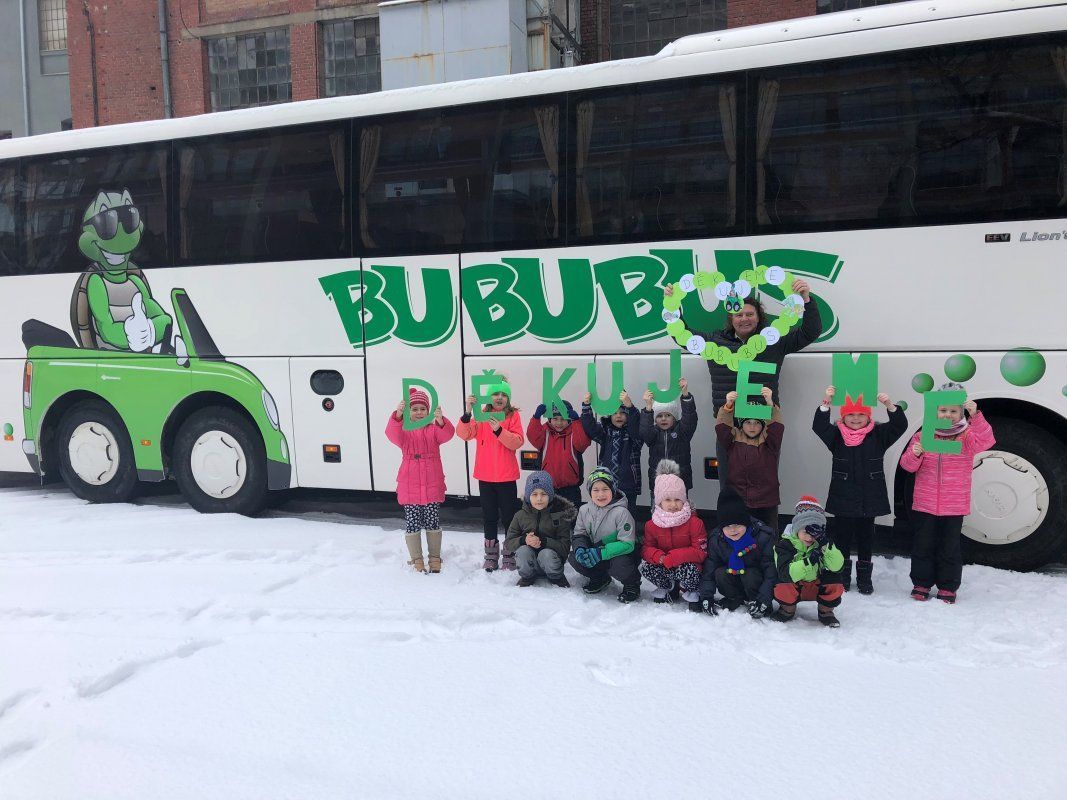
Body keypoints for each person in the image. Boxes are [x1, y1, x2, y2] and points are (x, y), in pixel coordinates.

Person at [664, 278, 823, 483]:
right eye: (738, 315)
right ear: (731, 318)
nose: (744, 319)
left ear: (759, 317)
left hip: (764, 426)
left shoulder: (774, 340)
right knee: (729, 486)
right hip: (728, 426)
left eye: (750, 314)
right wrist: (672, 304)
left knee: (765, 486)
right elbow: (682, 335)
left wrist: (806, 300)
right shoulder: (714, 342)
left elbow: (811, 332)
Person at [898, 384, 995, 604]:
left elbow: (986, 441)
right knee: (922, 545)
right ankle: (921, 583)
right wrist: (915, 454)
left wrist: (976, 416)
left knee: (949, 548)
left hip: (954, 505)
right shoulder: (923, 436)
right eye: (943, 410)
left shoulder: (967, 436)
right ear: (935, 412)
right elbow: (908, 466)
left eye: (953, 411)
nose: (948, 415)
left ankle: (948, 586)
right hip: (925, 503)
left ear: (961, 413)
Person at [811, 386, 907, 594]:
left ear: (868, 416)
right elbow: (819, 426)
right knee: (842, 539)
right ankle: (842, 577)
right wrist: (826, 402)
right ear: (843, 417)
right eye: (851, 414)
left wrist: (889, 405)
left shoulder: (879, 435)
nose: (856, 418)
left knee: (866, 540)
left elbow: (900, 425)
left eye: (861, 414)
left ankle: (864, 579)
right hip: (843, 497)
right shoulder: (836, 436)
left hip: (869, 497)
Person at [457, 376, 524, 572]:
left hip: (506, 477)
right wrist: (468, 412)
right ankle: (491, 556)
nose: (500, 397)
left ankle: (510, 554)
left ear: (508, 398)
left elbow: (517, 441)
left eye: (504, 394)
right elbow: (464, 434)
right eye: (496, 394)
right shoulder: (481, 415)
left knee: (509, 517)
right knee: (489, 517)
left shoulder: (512, 416)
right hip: (485, 477)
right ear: (489, 397)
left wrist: (499, 430)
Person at [385, 387, 455, 573]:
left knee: (433, 520)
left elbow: (447, 434)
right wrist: (398, 415)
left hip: (431, 482)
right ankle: (417, 559)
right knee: (412, 521)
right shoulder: (404, 430)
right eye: (414, 409)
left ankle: (434, 558)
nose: (419, 412)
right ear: (409, 412)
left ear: (428, 411)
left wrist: (441, 420)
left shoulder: (433, 429)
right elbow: (391, 434)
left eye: (422, 409)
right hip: (410, 484)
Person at [639, 460, 707, 611]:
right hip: (665, 563)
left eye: (677, 499)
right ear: (659, 502)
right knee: (646, 567)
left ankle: (690, 590)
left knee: (692, 570)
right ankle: (667, 587)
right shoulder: (652, 524)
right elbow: (646, 549)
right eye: (667, 500)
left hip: (685, 565)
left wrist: (675, 557)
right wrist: (659, 557)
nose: (673, 504)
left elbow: (701, 552)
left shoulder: (694, 522)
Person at [715, 386, 784, 534]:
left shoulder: (770, 441)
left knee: (768, 535)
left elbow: (776, 427)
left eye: (757, 423)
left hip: (766, 500)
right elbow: (722, 428)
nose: (752, 427)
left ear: (763, 425)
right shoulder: (733, 438)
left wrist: (770, 405)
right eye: (748, 422)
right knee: (743, 535)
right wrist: (728, 407)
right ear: (741, 424)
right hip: (739, 499)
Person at [698, 490, 777, 618]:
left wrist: (764, 599)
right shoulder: (716, 540)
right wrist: (706, 597)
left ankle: (757, 602)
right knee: (720, 573)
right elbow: (709, 571)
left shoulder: (762, 537)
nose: (733, 530)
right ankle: (734, 598)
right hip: (733, 580)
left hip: (755, 583)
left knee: (750, 574)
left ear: (745, 522)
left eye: (737, 525)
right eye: (727, 526)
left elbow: (770, 571)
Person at [569, 467, 642, 603]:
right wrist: (580, 549)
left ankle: (632, 584)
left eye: (605, 489)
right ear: (590, 492)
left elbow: (628, 544)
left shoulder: (622, 512)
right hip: (597, 551)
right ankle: (600, 578)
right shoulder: (584, 510)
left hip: (619, 554)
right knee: (575, 558)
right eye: (596, 490)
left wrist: (601, 553)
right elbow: (579, 534)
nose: (600, 494)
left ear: (612, 490)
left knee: (619, 564)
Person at [772, 503, 845, 627]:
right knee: (781, 582)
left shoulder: (823, 545)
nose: (809, 537)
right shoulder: (784, 545)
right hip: (795, 586)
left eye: (814, 533)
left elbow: (837, 567)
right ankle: (787, 609)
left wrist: (825, 546)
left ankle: (826, 611)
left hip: (816, 585)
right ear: (797, 529)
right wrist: (808, 562)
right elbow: (785, 573)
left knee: (835, 579)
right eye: (805, 532)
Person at [505, 471, 576, 588]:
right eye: (534, 494)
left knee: (545, 554)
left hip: (551, 562)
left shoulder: (559, 516)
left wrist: (544, 541)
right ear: (528, 496)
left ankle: (556, 577)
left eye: (543, 494)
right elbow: (508, 543)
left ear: (550, 495)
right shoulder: (520, 516)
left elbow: (565, 548)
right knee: (523, 551)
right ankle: (527, 576)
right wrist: (524, 540)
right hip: (529, 562)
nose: (539, 498)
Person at [580, 391, 643, 518]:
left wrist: (630, 407)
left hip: (628, 486)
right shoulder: (605, 432)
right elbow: (590, 428)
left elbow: (636, 425)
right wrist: (586, 407)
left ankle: (629, 532)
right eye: (614, 413)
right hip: (606, 485)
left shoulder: (634, 435)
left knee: (628, 516)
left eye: (623, 413)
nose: (618, 416)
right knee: (607, 516)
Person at [526, 399, 592, 507]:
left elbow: (582, 443)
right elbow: (532, 436)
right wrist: (536, 418)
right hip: (548, 488)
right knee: (551, 515)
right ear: (549, 419)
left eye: (563, 419)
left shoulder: (574, 432)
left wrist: (577, 422)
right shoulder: (545, 432)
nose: (559, 423)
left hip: (571, 489)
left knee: (572, 515)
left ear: (569, 419)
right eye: (555, 419)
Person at [640, 379, 698, 498]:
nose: (663, 419)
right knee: (657, 509)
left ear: (674, 417)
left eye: (668, 415)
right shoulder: (653, 433)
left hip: (679, 483)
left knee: (679, 508)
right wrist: (648, 408)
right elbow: (645, 431)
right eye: (659, 416)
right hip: (658, 484)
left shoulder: (682, 431)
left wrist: (685, 395)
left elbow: (690, 418)